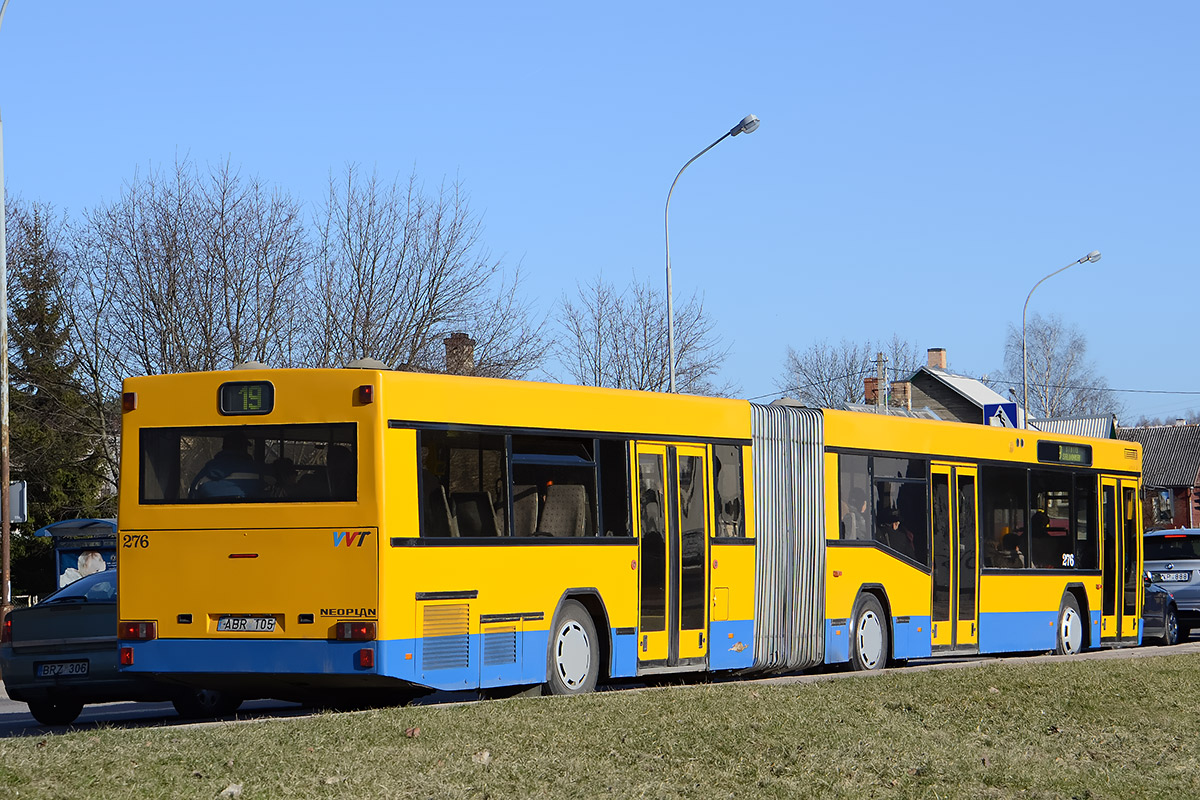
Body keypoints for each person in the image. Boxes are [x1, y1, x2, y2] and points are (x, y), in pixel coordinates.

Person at [191, 433, 261, 499]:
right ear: (243, 447)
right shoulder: (256, 470)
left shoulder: (207, 470)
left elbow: (192, 497)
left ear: (223, 447)